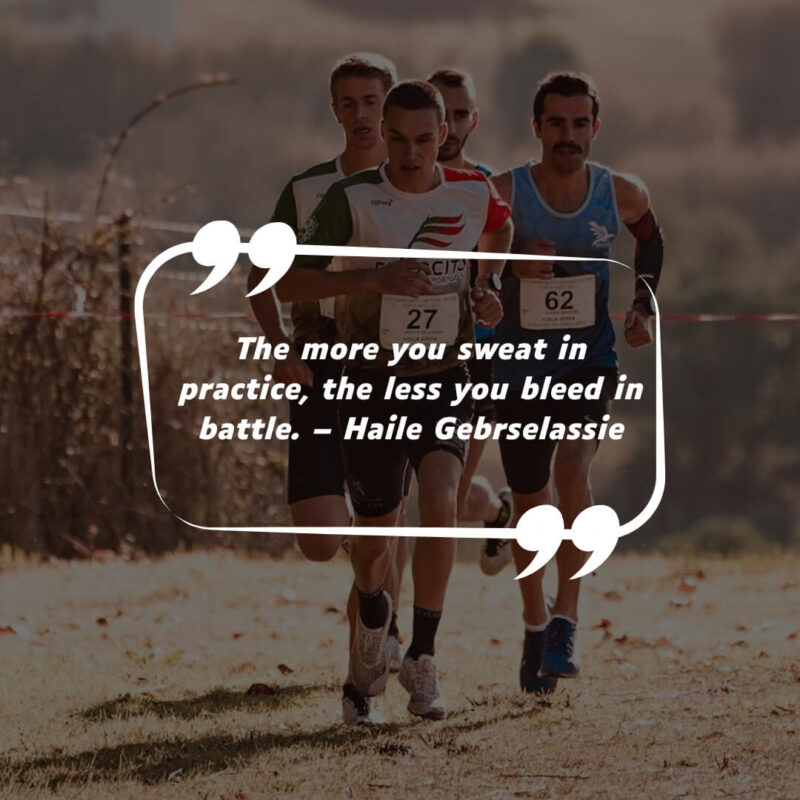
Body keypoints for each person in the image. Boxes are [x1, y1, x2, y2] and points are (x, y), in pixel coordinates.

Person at [276, 80, 512, 720]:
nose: (411, 154)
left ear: (445, 135)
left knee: (440, 497)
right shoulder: (348, 198)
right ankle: (368, 643)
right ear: (383, 134)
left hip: (445, 375)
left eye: (424, 139)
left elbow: (497, 229)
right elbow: (289, 280)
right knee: (377, 546)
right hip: (371, 383)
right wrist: (374, 276)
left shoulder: (470, 190)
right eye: (398, 139)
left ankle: (424, 658)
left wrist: (484, 288)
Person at [247, 53, 408, 725]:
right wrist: (283, 349)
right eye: (350, 102)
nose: (363, 113)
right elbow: (265, 275)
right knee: (320, 540)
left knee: (380, 531)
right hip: (319, 365)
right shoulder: (308, 190)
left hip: (393, 370)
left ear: (390, 107)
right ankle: (376, 608)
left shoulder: (417, 189)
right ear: (335, 110)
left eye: (374, 101)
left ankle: (361, 684)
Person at [490, 72, 663, 693]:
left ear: (596, 126)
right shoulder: (503, 193)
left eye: (580, 123)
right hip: (513, 365)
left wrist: (642, 308)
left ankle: (568, 617)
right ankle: (535, 621)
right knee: (532, 499)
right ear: (536, 127)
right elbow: (470, 270)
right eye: (556, 124)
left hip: (589, 360)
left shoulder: (620, 192)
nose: (569, 136)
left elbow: (650, 239)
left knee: (573, 473)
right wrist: (510, 265)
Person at [426, 68, 513, 560]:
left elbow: (509, 262)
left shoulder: (485, 188)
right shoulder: (392, 187)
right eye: (443, 113)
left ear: (473, 121)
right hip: (405, 352)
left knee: (451, 500)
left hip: (477, 357)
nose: (451, 126)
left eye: (461, 114)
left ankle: (496, 512)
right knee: (404, 499)